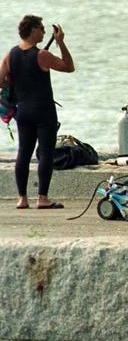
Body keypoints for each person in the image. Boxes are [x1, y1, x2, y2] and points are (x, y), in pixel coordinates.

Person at [0, 15, 74, 209]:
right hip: (43, 110)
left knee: (23, 153)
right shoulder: (42, 55)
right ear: (32, 30)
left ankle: (22, 199)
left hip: (22, 110)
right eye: (40, 28)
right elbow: (69, 67)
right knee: (46, 153)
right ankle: (42, 198)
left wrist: (13, 81)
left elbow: (0, 82)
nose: (42, 32)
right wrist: (61, 42)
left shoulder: (10, 55)